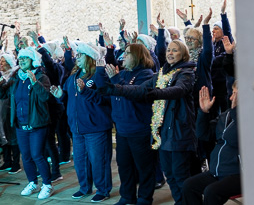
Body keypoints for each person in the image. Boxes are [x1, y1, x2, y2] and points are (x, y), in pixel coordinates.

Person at [101, 39, 199, 204]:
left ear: (183, 54)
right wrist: (115, 88)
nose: (170, 53)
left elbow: (179, 90)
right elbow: (140, 90)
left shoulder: (186, 73)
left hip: (178, 130)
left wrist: (156, 93)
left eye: (175, 50)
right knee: (170, 174)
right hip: (163, 130)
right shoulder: (161, 73)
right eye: (169, 50)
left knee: (180, 174)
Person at [54, 41, 114, 202]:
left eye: (80, 55)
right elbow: (67, 97)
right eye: (77, 55)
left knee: (98, 161)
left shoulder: (99, 75)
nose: (76, 58)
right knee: (80, 161)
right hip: (77, 127)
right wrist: (59, 95)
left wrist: (86, 91)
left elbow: (106, 99)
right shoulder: (73, 77)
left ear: (89, 57)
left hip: (96, 126)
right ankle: (84, 187)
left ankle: (103, 189)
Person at [102, 43, 159, 205]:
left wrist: (115, 79)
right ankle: (127, 196)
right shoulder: (124, 74)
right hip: (122, 129)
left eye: (128, 53)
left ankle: (144, 198)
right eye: (124, 53)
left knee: (144, 167)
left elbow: (134, 93)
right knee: (124, 166)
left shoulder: (146, 75)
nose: (123, 56)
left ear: (138, 56)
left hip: (139, 129)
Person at [5, 48, 55, 200]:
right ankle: (33, 182)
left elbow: (45, 97)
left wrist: (34, 82)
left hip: (37, 124)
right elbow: (3, 95)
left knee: (37, 155)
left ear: (33, 61)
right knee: (26, 156)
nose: (22, 61)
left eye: (25, 58)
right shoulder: (16, 78)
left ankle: (47, 185)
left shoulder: (42, 77)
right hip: (21, 124)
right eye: (20, 58)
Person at [183, 84, 240, 205]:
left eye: (234, 94)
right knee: (189, 185)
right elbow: (204, 134)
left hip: (237, 173)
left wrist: (236, 110)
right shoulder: (226, 115)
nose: (230, 98)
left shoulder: (251, 118)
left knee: (211, 192)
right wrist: (203, 112)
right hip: (217, 171)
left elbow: (235, 139)